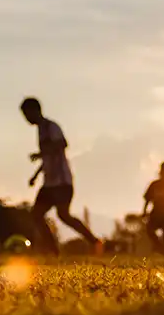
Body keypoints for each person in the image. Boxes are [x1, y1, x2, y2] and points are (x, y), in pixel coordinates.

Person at [20, 97, 103, 256]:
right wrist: (35, 175)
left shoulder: (51, 126)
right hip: (49, 183)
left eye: (27, 114)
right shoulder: (40, 130)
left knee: (63, 215)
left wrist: (40, 153)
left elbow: (62, 144)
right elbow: (48, 158)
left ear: (34, 111)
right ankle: (52, 249)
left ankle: (94, 241)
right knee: (36, 215)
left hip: (62, 181)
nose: (26, 118)